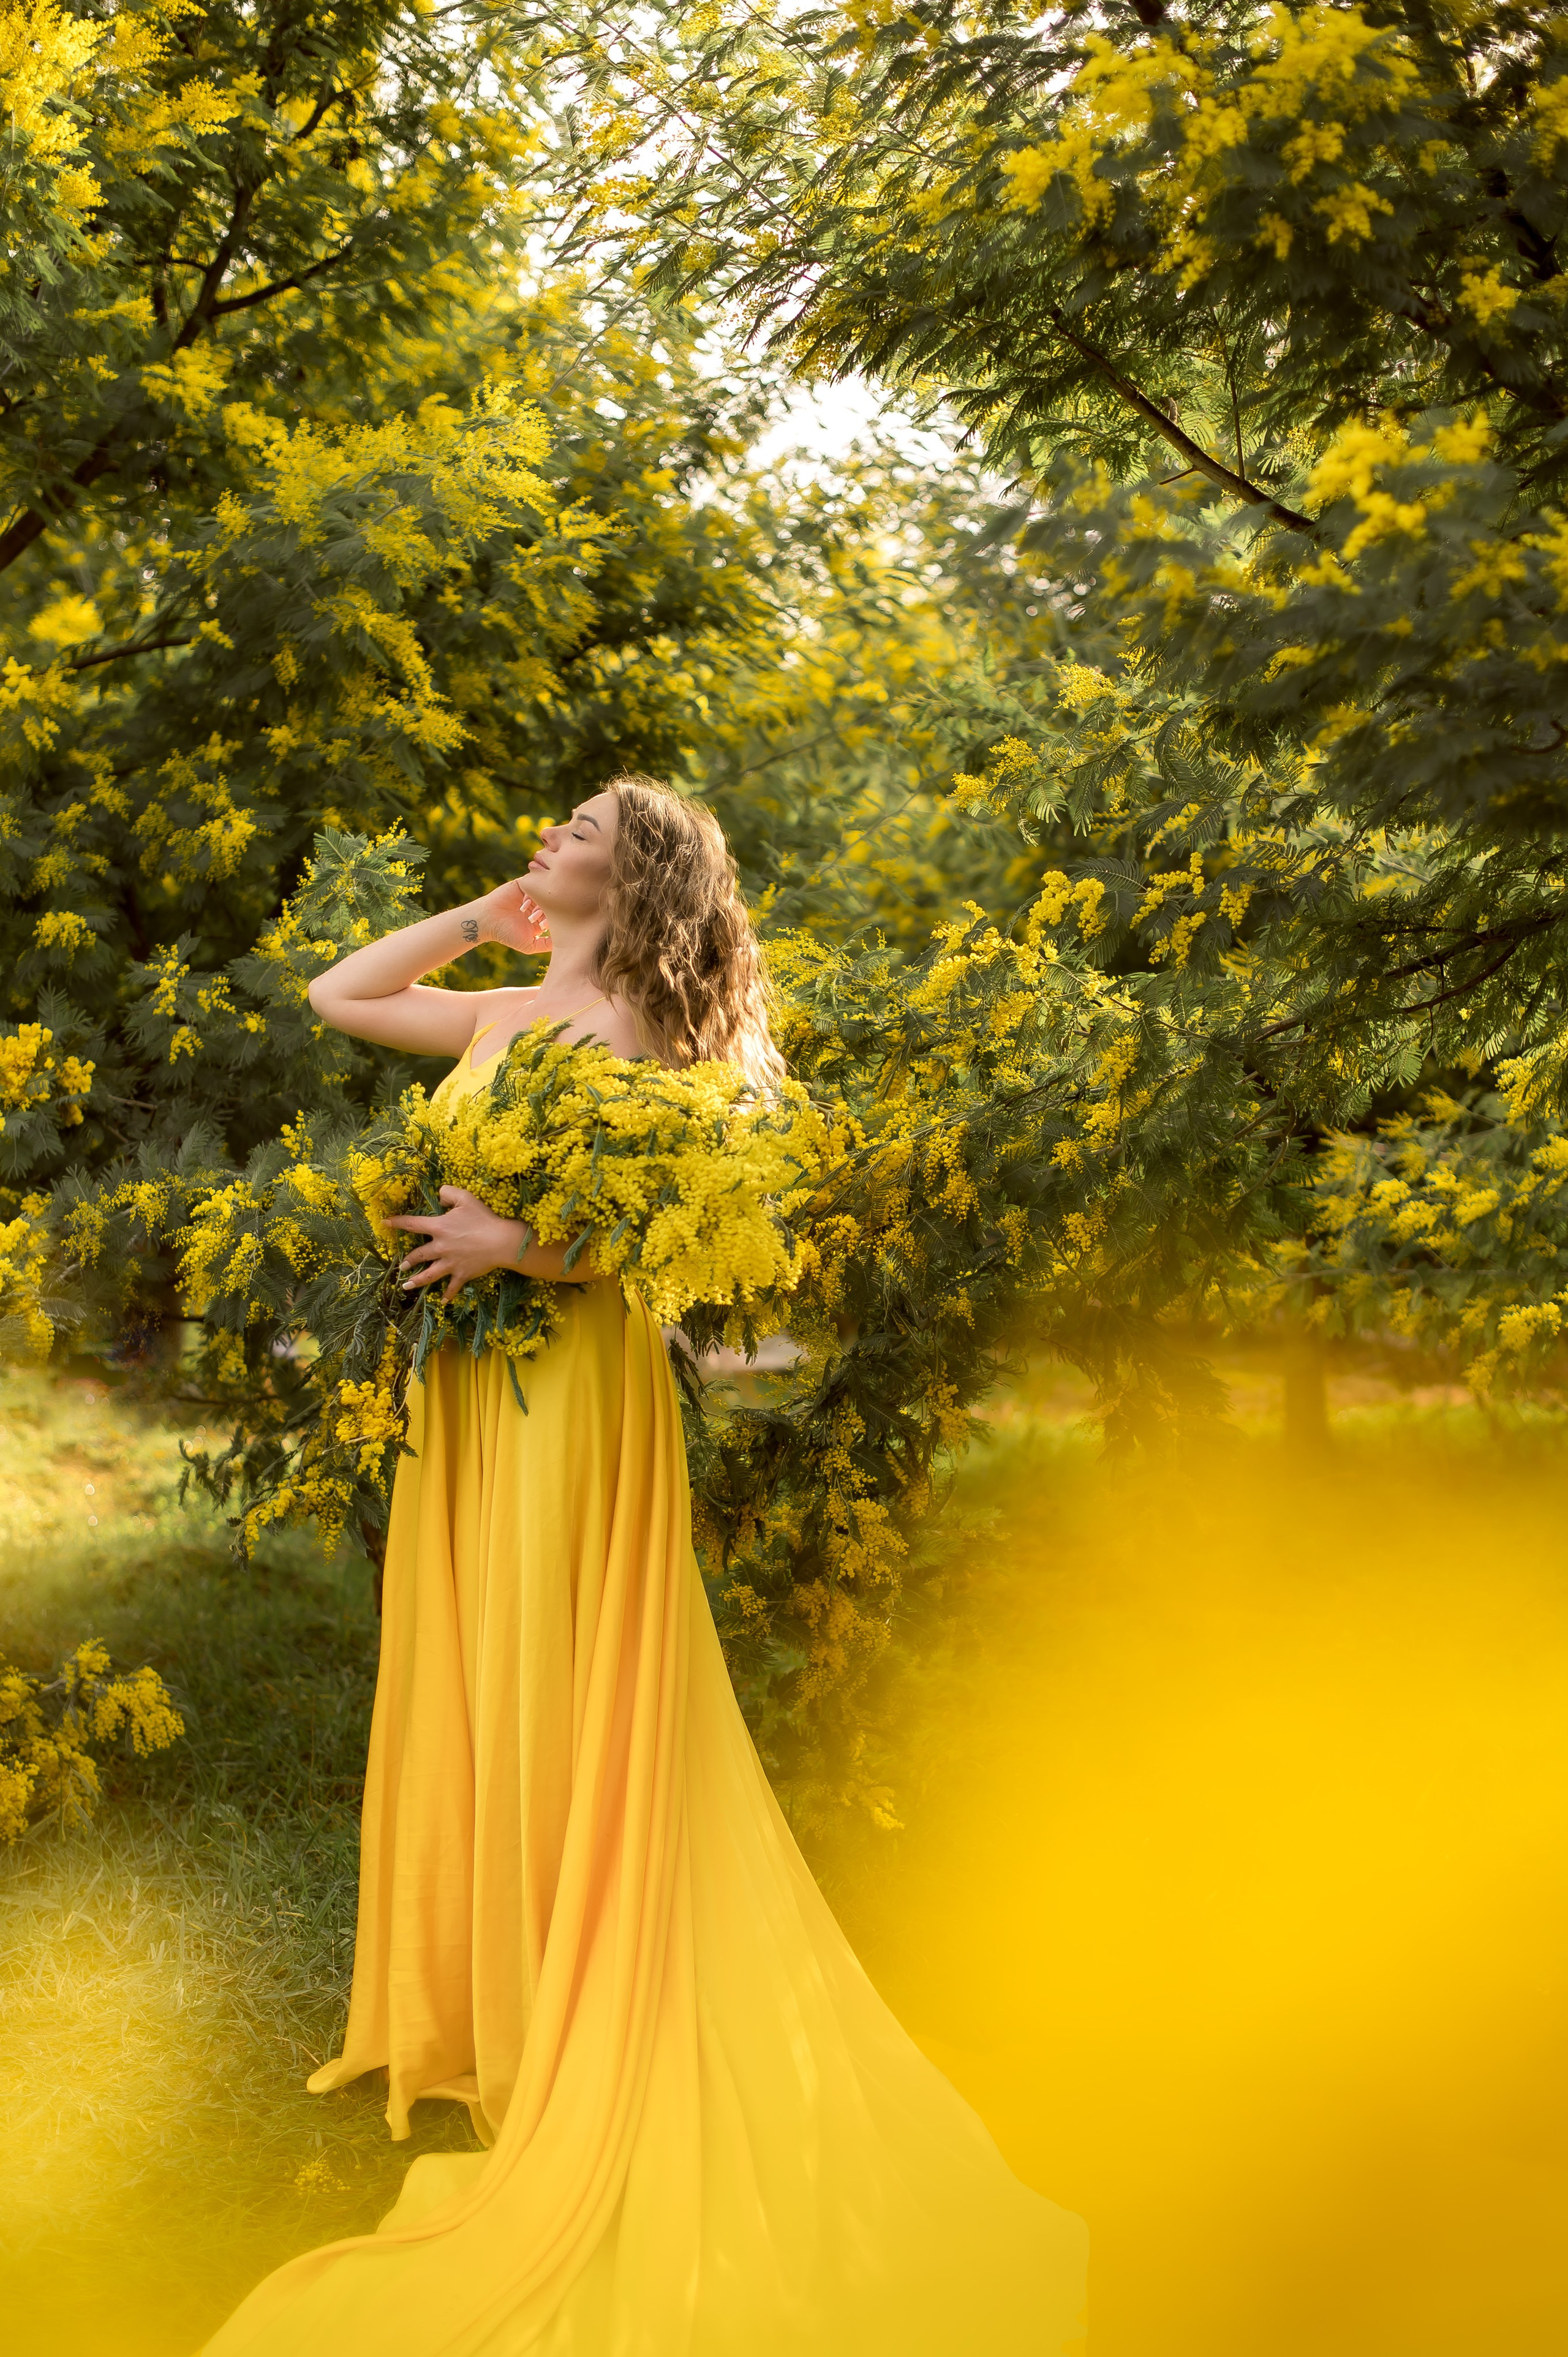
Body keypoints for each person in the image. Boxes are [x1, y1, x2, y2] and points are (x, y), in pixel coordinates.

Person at [199, 774, 1088, 2356]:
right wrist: (475, 921)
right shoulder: (505, 1013)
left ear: (643, 875)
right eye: (554, 827)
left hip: (575, 1399)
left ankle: (602, 2009)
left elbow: (687, 1228)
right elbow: (341, 995)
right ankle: (525, 2000)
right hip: (469, 1401)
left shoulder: (658, 1039)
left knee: (566, 1680)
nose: (552, 835)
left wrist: (523, 1249)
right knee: (489, 1669)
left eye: (583, 829)